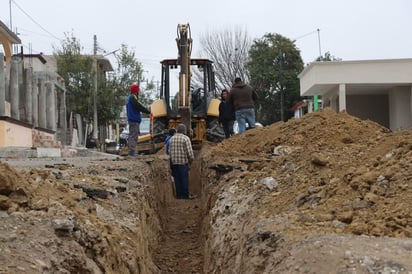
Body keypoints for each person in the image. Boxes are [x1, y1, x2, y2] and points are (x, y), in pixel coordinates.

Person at [169, 124, 194, 199]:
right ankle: (185, 196)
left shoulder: (172, 139)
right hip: (183, 163)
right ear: (184, 131)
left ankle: (178, 195)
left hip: (174, 163)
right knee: (184, 180)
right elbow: (190, 153)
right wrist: (191, 161)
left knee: (177, 180)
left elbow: (169, 152)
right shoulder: (185, 138)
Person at [126, 83, 151, 157]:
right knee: (133, 135)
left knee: (133, 135)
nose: (138, 93)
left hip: (132, 119)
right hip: (134, 119)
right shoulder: (133, 98)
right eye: (138, 91)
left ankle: (132, 151)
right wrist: (148, 112)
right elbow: (139, 106)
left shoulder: (129, 98)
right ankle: (132, 152)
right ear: (136, 91)